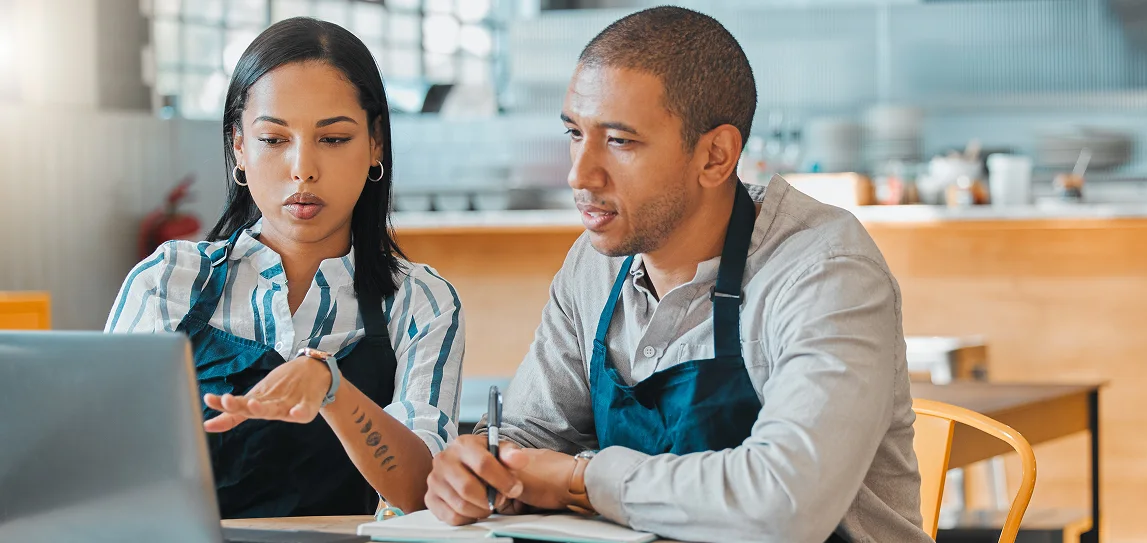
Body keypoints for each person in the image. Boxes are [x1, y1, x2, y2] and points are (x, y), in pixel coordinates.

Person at [424, 7, 929, 543]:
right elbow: (528, 439)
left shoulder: (825, 272)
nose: (579, 173)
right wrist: (479, 467)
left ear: (715, 156)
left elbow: (784, 503)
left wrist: (582, 478)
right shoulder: (593, 266)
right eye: (575, 133)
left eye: (619, 141)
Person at [105, 17, 463, 518]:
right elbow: (105, 464)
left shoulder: (419, 302)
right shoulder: (168, 282)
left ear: (375, 142)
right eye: (274, 140)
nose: (303, 168)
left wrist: (332, 390)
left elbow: (423, 495)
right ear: (238, 147)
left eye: (333, 139)